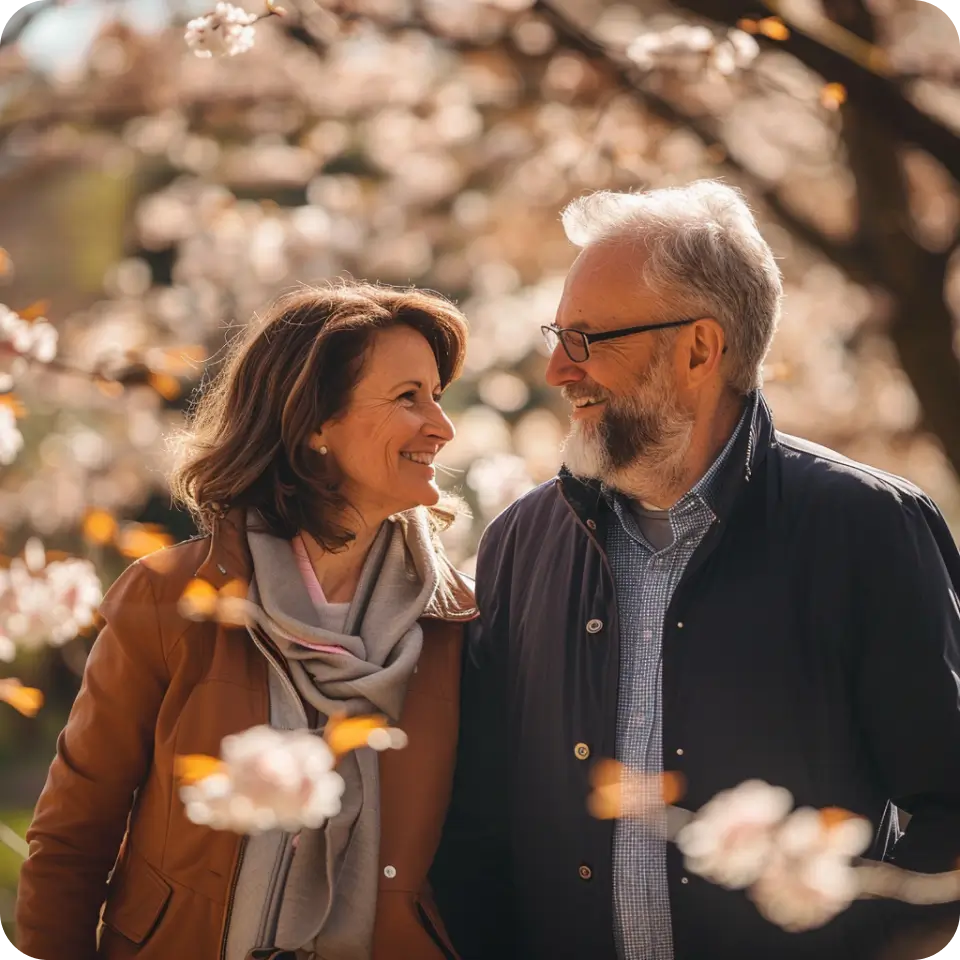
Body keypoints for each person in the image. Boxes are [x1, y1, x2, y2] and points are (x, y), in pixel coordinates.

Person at [432, 181, 960, 960]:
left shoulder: (869, 526)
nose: (556, 370)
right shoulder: (522, 540)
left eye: (586, 339)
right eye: (557, 335)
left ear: (698, 350)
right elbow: (478, 823)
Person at [16, 282, 477, 960]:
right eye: (409, 397)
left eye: (436, 394)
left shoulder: (457, 628)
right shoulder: (170, 600)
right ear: (315, 421)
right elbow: (72, 839)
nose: (443, 425)